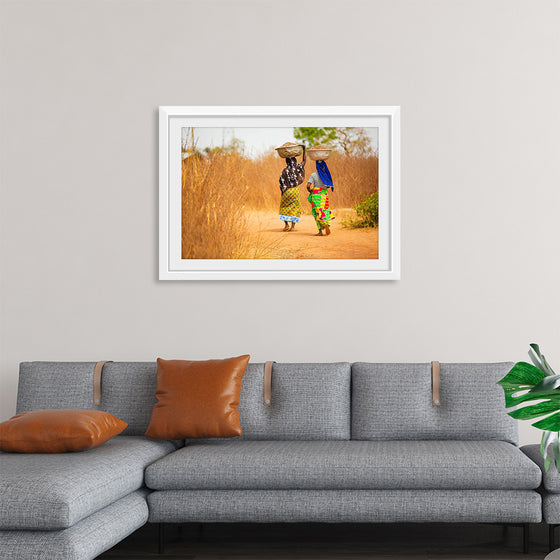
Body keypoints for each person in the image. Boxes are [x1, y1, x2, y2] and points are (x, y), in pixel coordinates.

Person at [278, 146, 306, 231]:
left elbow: (281, 182)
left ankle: (286, 224)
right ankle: (293, 227)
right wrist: (304, 149)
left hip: (287, 191)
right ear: (295, 161)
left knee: (284, 207)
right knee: (295, 207)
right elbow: (304, 160)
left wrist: (283, 191)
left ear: (287, 162)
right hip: (295, 190)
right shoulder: (298, 168)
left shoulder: (285, 171)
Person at [307, 159, 334, 236]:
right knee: (324, 209)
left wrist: (310, 190)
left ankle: (320, 231)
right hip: (324, 194)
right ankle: (326, 224)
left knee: (316, 211)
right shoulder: (326, 175)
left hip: (316, 194)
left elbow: (308, 185)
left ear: (316, 166)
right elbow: (328, 186)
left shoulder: (313, 175)